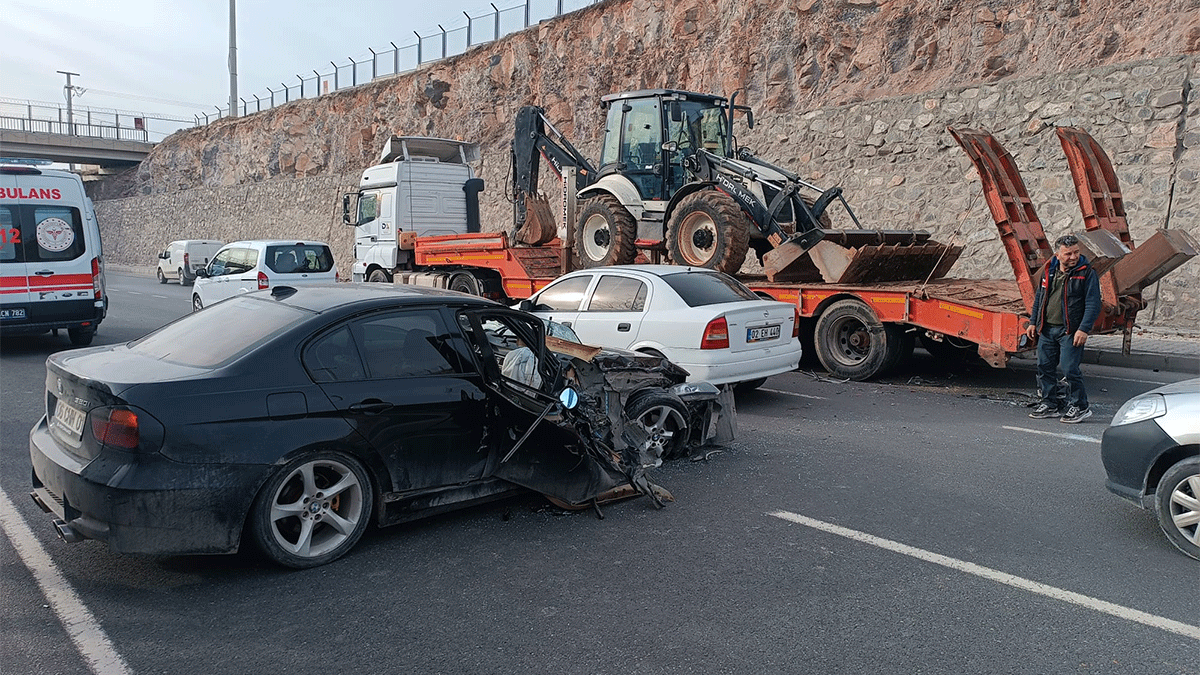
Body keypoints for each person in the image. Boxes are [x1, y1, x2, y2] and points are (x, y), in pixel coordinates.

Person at [1025, 234, 1102, 423]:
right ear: (1058, 255)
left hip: (1070, 331)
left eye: (1076, 252)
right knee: (1044, 367)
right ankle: (1050, 403)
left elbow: (1093, 303)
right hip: (1047, 329)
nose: (1074, 257)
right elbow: (1040, 298)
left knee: (1070, 370)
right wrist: (1033, 321)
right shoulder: (1049, 270)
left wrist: (1083, 329)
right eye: (1068, 254)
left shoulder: (1086, 273)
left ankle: (1080, 406)